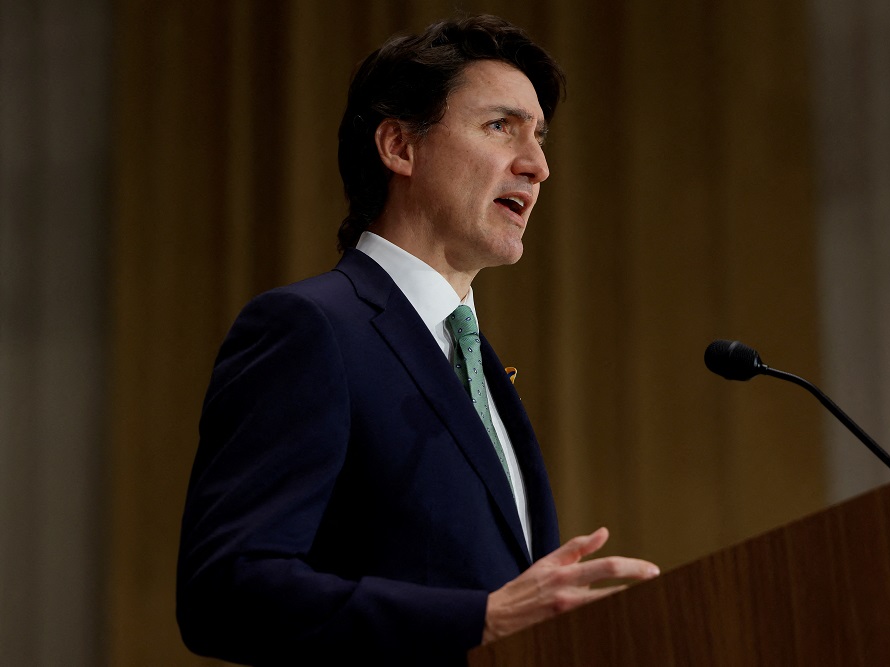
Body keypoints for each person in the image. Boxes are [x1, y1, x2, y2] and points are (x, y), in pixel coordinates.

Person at [176, 14, 659, 666]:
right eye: (501, 126)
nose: (538, 166)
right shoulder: (310, 328)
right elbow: (224, 590)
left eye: (540, 138)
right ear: (400, 146)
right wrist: (478, 619)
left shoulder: (475, 361)